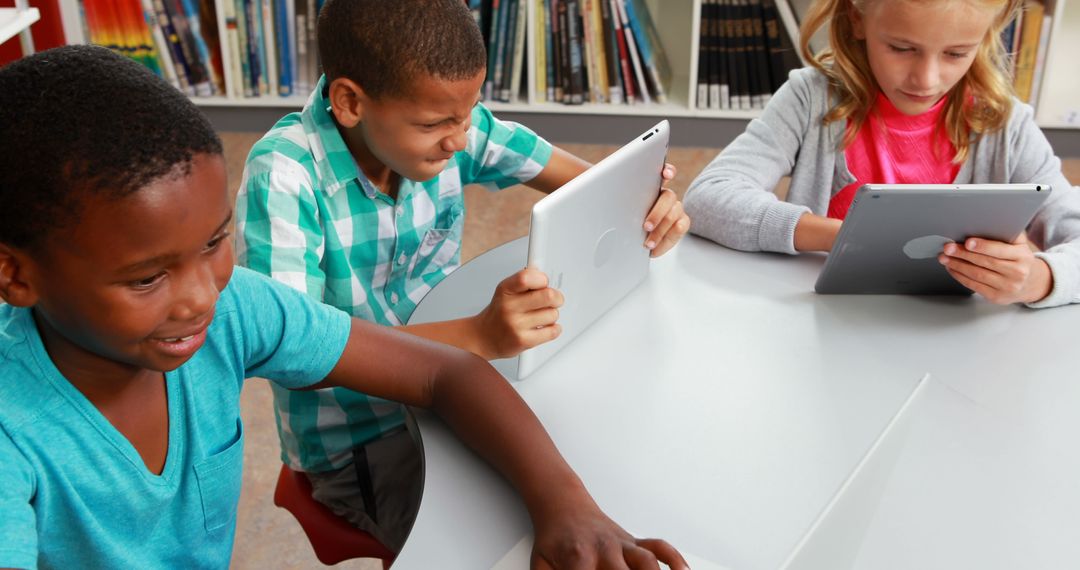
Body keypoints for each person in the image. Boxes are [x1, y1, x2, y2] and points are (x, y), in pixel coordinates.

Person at [0, 45, 688, 570]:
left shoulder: (234, 309)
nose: (202, 294)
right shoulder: (15, 435)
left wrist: (566, 505)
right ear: (14, 274)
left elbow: (445, 374)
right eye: (147, 279)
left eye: (215, 242)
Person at [235, 0, 691, 549]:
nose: (458, 140)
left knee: (611, 462)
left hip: (461, 388)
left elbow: (589, 182)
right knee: (493, 544)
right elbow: (292, 357)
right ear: (350, 102)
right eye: (435, 124)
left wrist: (647, 199)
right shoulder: (283, 177)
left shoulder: (449, 120)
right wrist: (475, 336)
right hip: (361, 440)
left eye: (470, 113)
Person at [683, 0, 1079, 308]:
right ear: (858, 19)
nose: (926, 79)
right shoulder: (810, 98)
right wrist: (842, 237)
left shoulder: (1005, 124)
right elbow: (709, 197)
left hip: (953, 343)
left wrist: (1040, 278)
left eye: (956, 53)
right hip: (820, 327)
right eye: (901, 48)